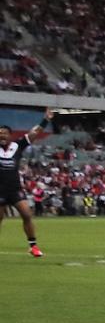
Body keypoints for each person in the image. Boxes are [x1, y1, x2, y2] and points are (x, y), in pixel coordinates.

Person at [0, 108, 55, 257]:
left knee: (26, 214)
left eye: (4, 133)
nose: (2, 136)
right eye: (0, 134)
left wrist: (46, 120)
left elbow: (34, 133)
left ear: (10, 135)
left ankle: (33, 246)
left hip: (14, 188)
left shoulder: (17, 145)